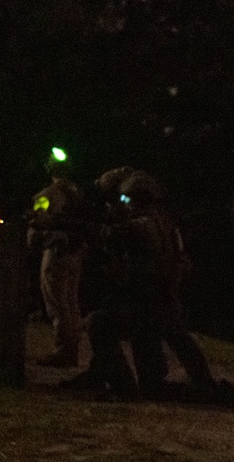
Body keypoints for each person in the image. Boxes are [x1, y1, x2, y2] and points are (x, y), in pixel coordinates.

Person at [86, 167, 219, 401]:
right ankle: (195, 384)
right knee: (161, 348)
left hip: (148, 305)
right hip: (155, 303)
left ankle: (124, 387)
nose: (123, 204)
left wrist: (93, 225)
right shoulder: (164, 223)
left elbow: (109, 236)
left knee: (99, 324)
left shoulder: (144, 224)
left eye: (126, 199)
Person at [26, 149, 91, 367]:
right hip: (77, 251)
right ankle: (72, 349)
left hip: (57, 252)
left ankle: (64, 351)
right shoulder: (77, 192)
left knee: (56, 301)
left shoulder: (47, 194)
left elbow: (38, 221)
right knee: (71, 301)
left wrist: (34, 229)